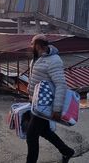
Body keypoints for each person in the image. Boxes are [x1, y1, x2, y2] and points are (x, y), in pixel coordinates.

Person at [26, 34, 75, 163]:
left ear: (37, 45)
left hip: (45, 104)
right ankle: (67, 151)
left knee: (31, 136)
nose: (31, 47)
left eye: (32, 44)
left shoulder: (54, 60)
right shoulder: (36, 59)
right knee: (45, 131)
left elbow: (61, 85)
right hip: (36, 104)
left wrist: (57, 109)